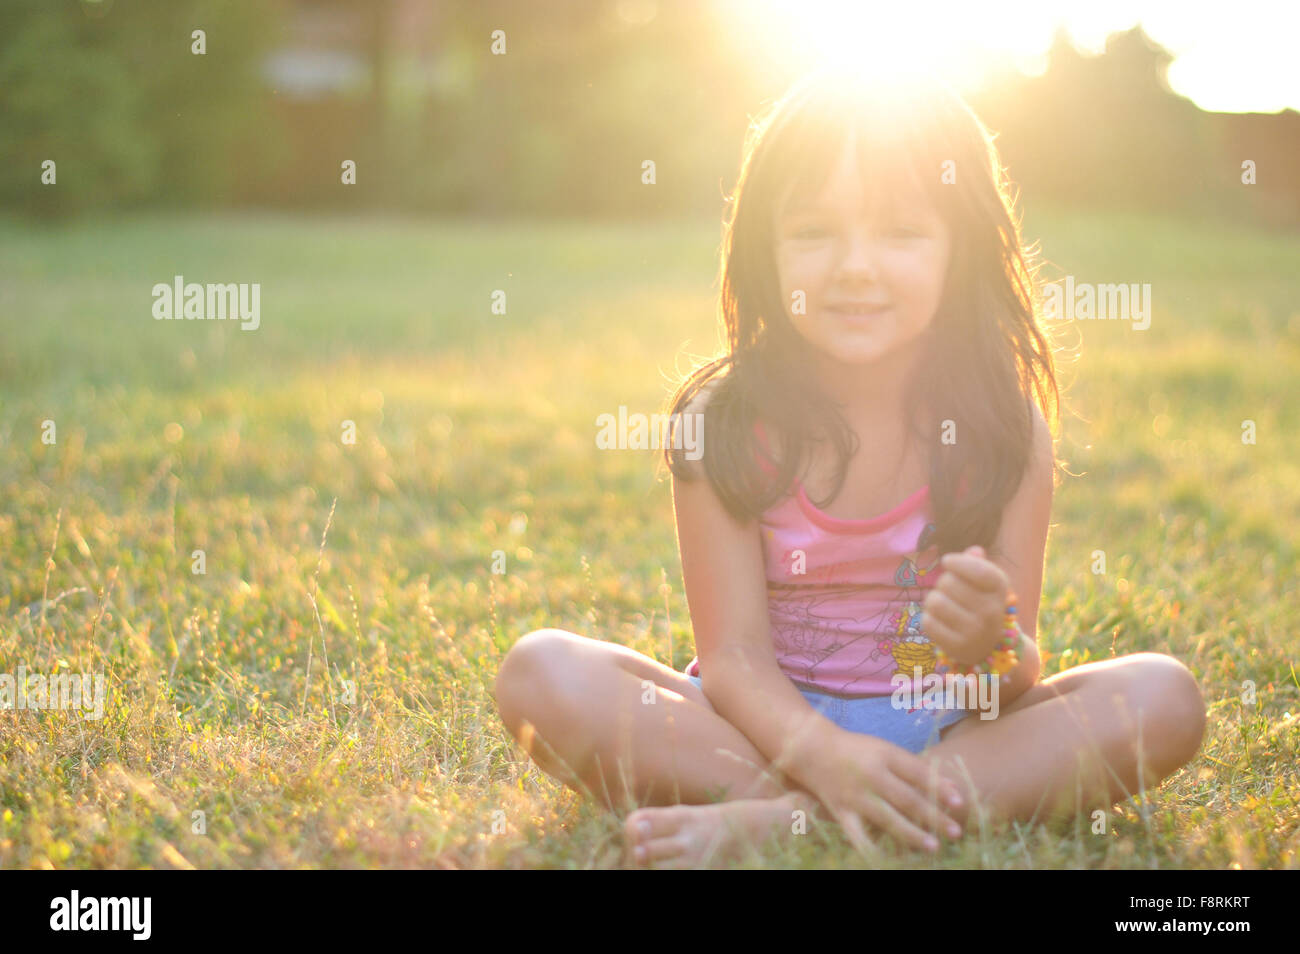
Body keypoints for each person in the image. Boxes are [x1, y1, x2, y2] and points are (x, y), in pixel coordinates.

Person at [493, 67, 1207, 868]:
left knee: (1162, 696)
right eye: (814, 232)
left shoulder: (1004, 429)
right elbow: (731, 661)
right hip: (761, 733)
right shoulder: (721, 426)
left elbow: (1011, 677)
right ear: (764, 246)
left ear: (957, 250)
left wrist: (986, 643)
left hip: (947, 733)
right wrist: (822, 756)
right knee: (542, 673)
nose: (855, 266)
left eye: (901, 232)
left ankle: (787, 820)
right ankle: (833, 804)